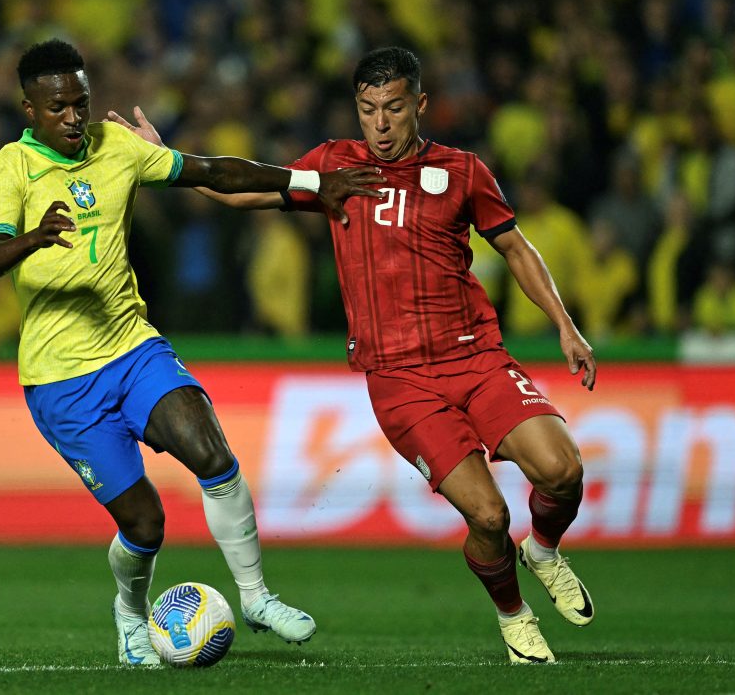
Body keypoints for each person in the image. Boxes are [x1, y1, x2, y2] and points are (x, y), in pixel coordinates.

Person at [109, 46, 597, 664]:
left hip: (476, 356)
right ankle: (513, 615)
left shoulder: (463, 171)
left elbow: (517, 249)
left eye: (393, 108)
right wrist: (165, 160)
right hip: (400, 381)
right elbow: (242, 193)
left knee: (563, 470)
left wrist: (566, 326)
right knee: (489, 516)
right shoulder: (334, 166)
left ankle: (544, 550)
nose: (381, 124)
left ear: (420, 104)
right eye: (368, 110)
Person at [0, 39, 383, 667]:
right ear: (30, 110)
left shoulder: (118, 148)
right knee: (145, 524)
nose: (75, 118)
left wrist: (313, 182)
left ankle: (256, 596)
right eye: (58, 108)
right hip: (61, 380)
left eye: (82, 103)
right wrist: (33, 237)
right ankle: (130, 615)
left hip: (132, 347)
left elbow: (214, 172)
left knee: (213, 453)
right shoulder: (8, 169)